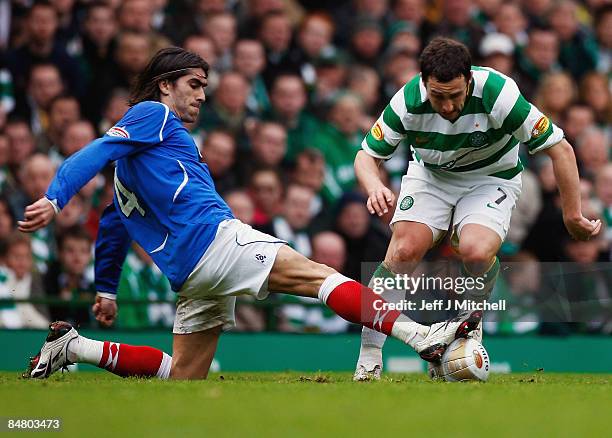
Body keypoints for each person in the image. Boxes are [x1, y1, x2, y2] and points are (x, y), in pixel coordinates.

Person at [20, 47, 481, 380]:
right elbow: (94, 149)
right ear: (165, 86)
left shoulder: (128, 171)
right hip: (216, 242)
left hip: (189, 273)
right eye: (193, 86)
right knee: (319, 277)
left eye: (205, 86)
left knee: (181, 376)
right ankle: (424, 337)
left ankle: (74, 346)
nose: (201, 96)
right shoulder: (153, 114)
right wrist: (57, 196)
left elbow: (112, 223)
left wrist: (106, 288)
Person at [352, 37, 601, 381]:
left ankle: (471, 326)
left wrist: (572, 214)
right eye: (439, 96)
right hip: (431, 177)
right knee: (404, 251)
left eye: (455, 95)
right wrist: (375, 185)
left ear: (469, 79)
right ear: (425, 83)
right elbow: (367, 155)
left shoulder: (500, 94)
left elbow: (561, 149)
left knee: (475, 252)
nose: (449, 106)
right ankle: (369, 358)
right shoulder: (407, 101)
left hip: (491, 177)